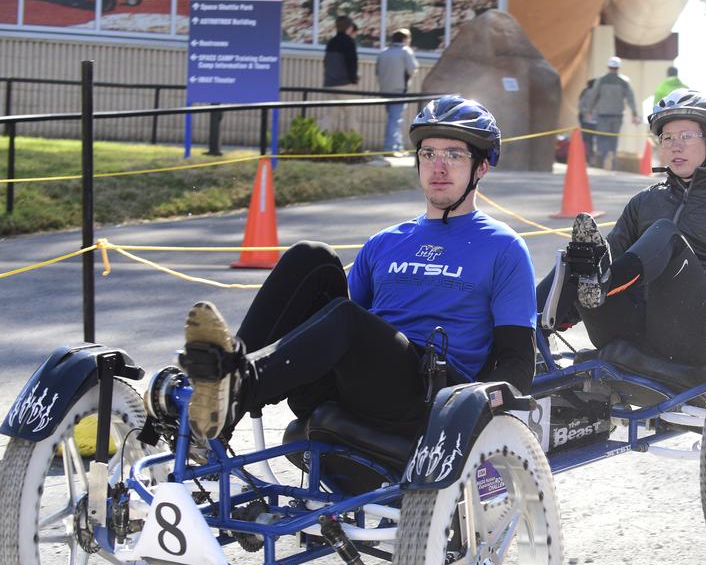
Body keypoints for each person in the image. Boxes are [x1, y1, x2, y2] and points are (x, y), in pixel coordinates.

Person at [177, 95, 537, 446]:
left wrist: (479, 418)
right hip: (360, 383)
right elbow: (334, 325)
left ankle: (238, 383)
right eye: (428, 154)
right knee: (312, 256)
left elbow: (517, 362)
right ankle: (218, 404)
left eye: (454, 155)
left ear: (481, 167)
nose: (438, 167)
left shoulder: (503, 247)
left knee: (347, 318)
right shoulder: (384, 242)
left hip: (431, 396)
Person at [541, 89, 706, 369]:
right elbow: (609, 257)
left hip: (698, 336)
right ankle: (524, 331)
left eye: (686, 136)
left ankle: (601, 282)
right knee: (583, 257)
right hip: (632, 327)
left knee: (666, 235)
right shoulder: (645, 201)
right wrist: (575, 291)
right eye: (667, 138)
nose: (675, 146)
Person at [583, 56, 640, 170]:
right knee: (614, 139)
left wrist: (589, 111)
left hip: (602, 115)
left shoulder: (601, 80)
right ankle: (612, 163)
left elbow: (594, 97)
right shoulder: (624, 81)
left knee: (602, 138)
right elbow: (631, 99)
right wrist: (634, 114)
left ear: (608, 67)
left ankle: (601, 163)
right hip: (617, 115)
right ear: (618, 67)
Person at [374, 27, 419, 156]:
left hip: (385, 90)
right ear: (405, 39)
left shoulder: (383, 52)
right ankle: (390, 148)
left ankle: (398, 147)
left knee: (395, 119)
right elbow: (412, 69)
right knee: (395, 120)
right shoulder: (405, 51)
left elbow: (377, 71)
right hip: (399, 91)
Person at [322, 15, 360, 133]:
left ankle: (322, 138)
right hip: (345, 84)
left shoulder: (331, 42)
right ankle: (352, 139)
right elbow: (352, 64)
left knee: (331, 114)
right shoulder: (349, 42)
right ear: (349, 27)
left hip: (330, 83)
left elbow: (326, 62)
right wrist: (354, 79)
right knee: (350, 113)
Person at [576, 76, 599, 166]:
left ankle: (587, 159)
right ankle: (595, 159)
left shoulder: (585, 92)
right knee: (597, 140)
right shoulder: (599, 93)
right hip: (597, 120)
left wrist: (585, 114)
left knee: (587, 140)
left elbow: (580, 106)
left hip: (586, 120)